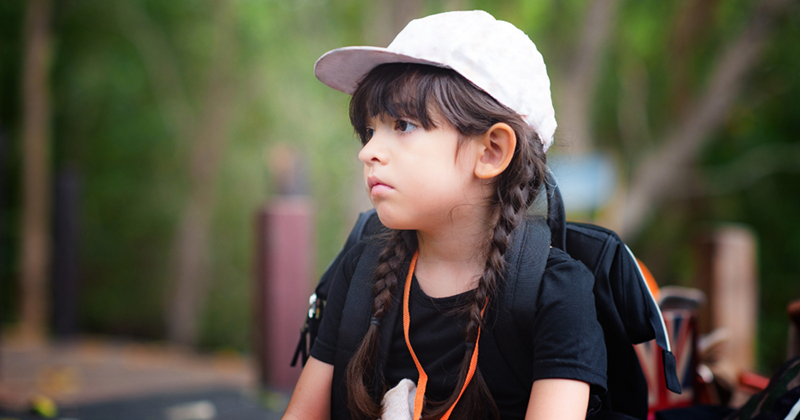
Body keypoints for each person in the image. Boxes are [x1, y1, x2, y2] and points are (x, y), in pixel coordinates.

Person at [282, 10, 607, 420]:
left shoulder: (556, 293)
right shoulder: (361, 271)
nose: (368, 152)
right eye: (369, 131)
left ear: (491, 152)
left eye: (402, 125)